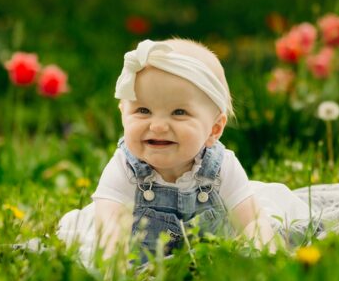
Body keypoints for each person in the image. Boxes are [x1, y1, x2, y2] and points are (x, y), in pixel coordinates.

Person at [57, 38, 309, 266]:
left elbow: (252, 222)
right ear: (123, 112)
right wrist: (116, 274)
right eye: (142, 110)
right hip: (142, 257)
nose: (157, 125)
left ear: (214, 129)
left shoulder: (221, 167)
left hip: (211, 254)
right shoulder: (125, 168)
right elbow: (111, 232)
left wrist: (264, 259)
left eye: (179, 112)